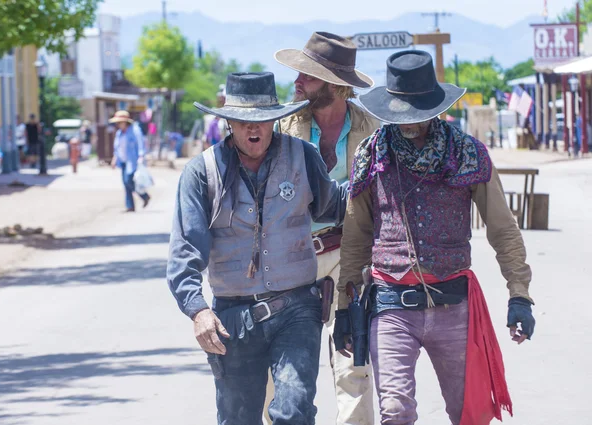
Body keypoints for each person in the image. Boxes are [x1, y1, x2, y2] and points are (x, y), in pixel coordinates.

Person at [335, 50, 536, 425]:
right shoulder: (370, 156)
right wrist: (345, 307)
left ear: (435, 108)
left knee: (468, 414)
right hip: (391, 304)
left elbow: (502, 228)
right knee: (394, 413)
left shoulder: (468, 155)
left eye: (417, 113)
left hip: (453, 305)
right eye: (400, 113)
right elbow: (355, 237)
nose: (407, 122)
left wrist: (519, 294)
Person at [167, 72, 347, 425]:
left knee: (293, 411)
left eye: (264, 120)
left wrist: (376, 174)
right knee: (237, 419)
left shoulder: (303, 157)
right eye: (244, 121)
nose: (255, 129)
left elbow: (334, 205)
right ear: (228, 122)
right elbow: (184, 250)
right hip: (233, 317)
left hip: (297, 308)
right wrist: (197, 310)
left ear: (275, 120)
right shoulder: (202, 172)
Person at [270, 31, 379, 425]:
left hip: (351, 256)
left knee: (354, 366)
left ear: (335, 86)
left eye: (307, 77)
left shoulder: (375, 131)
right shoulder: (281, 129)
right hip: (290, 258)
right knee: (278, 374)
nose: (296, 83)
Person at [109, 110, 150, 212]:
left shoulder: (135, 130)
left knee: (129, 181)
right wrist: (114, 159)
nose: (118, 124)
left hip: (133, 161)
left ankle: (144, 195)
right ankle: (130, 206)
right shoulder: (119, 133)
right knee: (125, 183)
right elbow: (117, 148)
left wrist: (141, 156)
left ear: (125, 122)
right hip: (123, 161)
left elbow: (141, 144)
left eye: (120, 122)